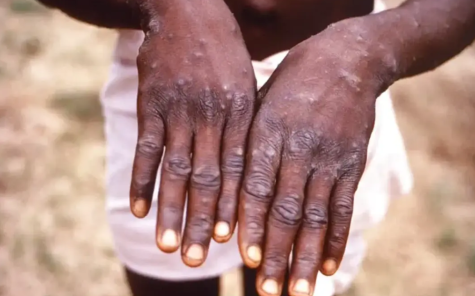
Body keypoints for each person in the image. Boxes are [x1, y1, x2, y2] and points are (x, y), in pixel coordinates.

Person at [36, 0, 475, 295]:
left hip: (334, 96)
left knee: (292, 279)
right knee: (165, 277)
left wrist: (368, 52)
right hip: (177, 74)